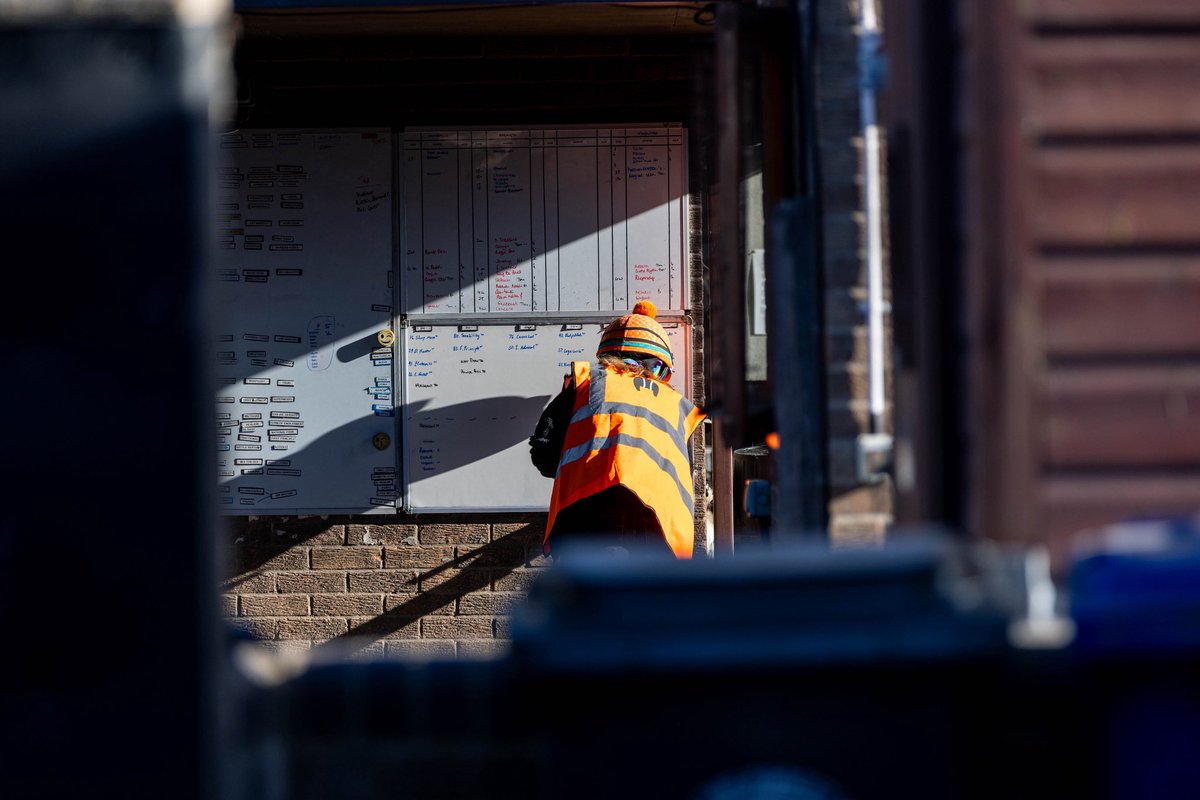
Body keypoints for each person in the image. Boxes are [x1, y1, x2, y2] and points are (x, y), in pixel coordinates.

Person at [529, 300, 706, 559]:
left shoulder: (587, 383)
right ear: (661, 367)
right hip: (660, 534)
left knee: (591, 597)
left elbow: (544, 450)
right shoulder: (676, 406)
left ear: (608, 355)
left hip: (587, 522)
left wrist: (580, 473)